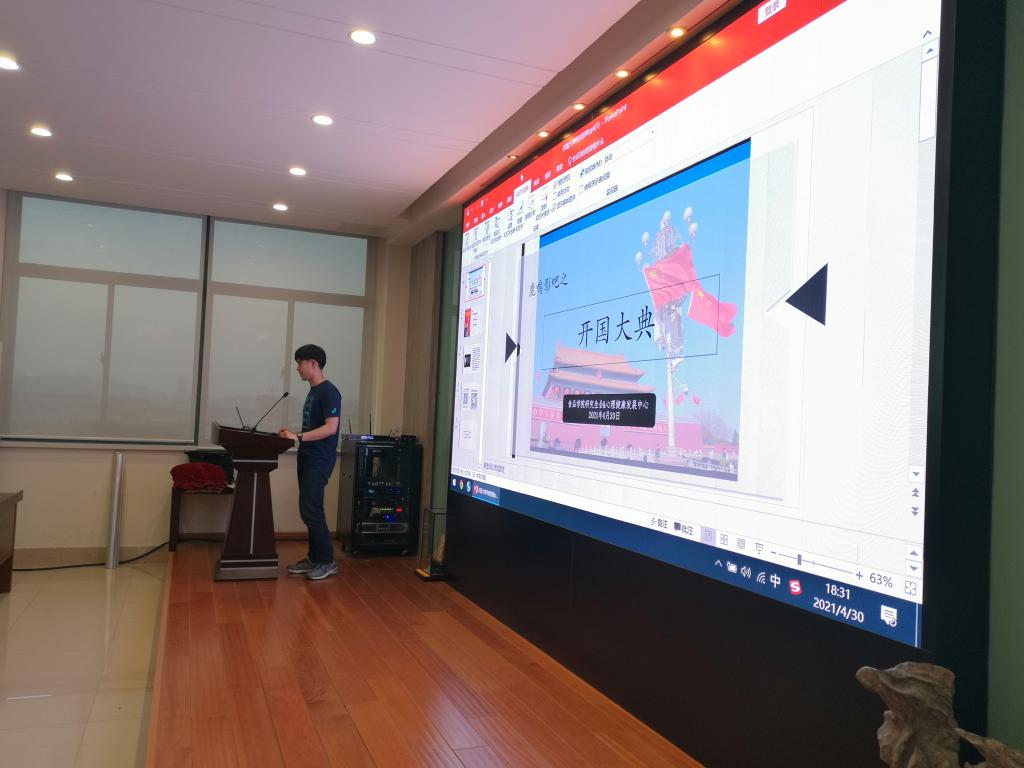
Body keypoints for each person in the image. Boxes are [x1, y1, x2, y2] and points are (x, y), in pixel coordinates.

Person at [279, 344, 341, 580]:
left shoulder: (329, 392)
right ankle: (315, 558)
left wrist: (298, 436)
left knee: (312, 509)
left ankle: (327, 561)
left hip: (319, 458)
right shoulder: (314, 391)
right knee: (308, 509)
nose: (297, 368)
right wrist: (294, 435)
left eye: (300, 363)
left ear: (313, 363)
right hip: (307, 456)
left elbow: (331, 427)